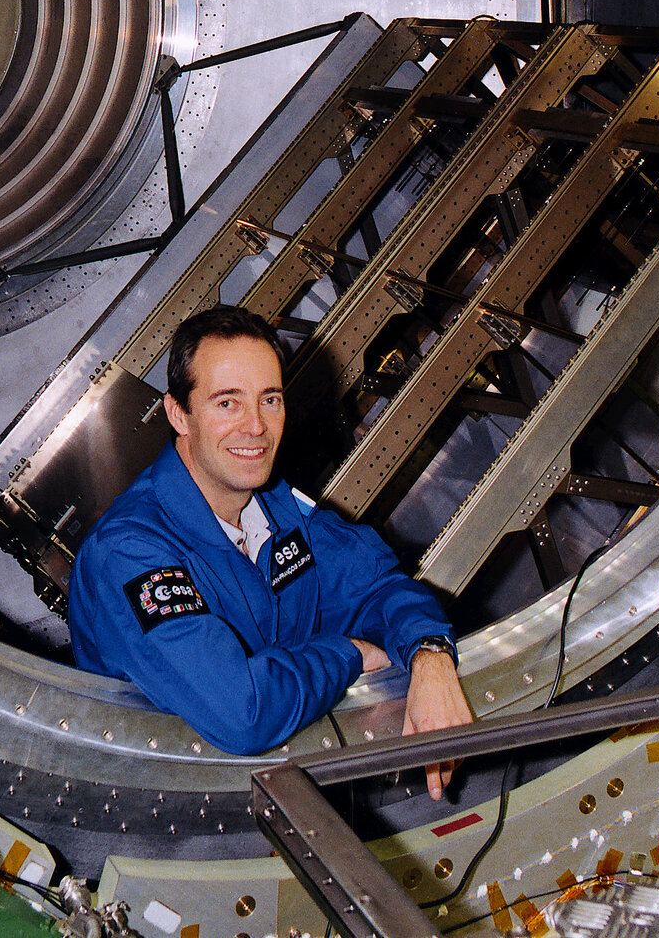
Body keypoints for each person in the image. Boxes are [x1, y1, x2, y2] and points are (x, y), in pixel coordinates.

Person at [67, 307, 474, 789]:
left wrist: (428, 652)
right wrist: (347, 654)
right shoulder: (129, 552)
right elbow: (243, 712)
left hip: (285, 778)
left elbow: (377, 586)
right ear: (180, 414)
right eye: (227, 403)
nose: (256, 427)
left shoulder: (277, 506)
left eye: (270, 400)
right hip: (177, 802)